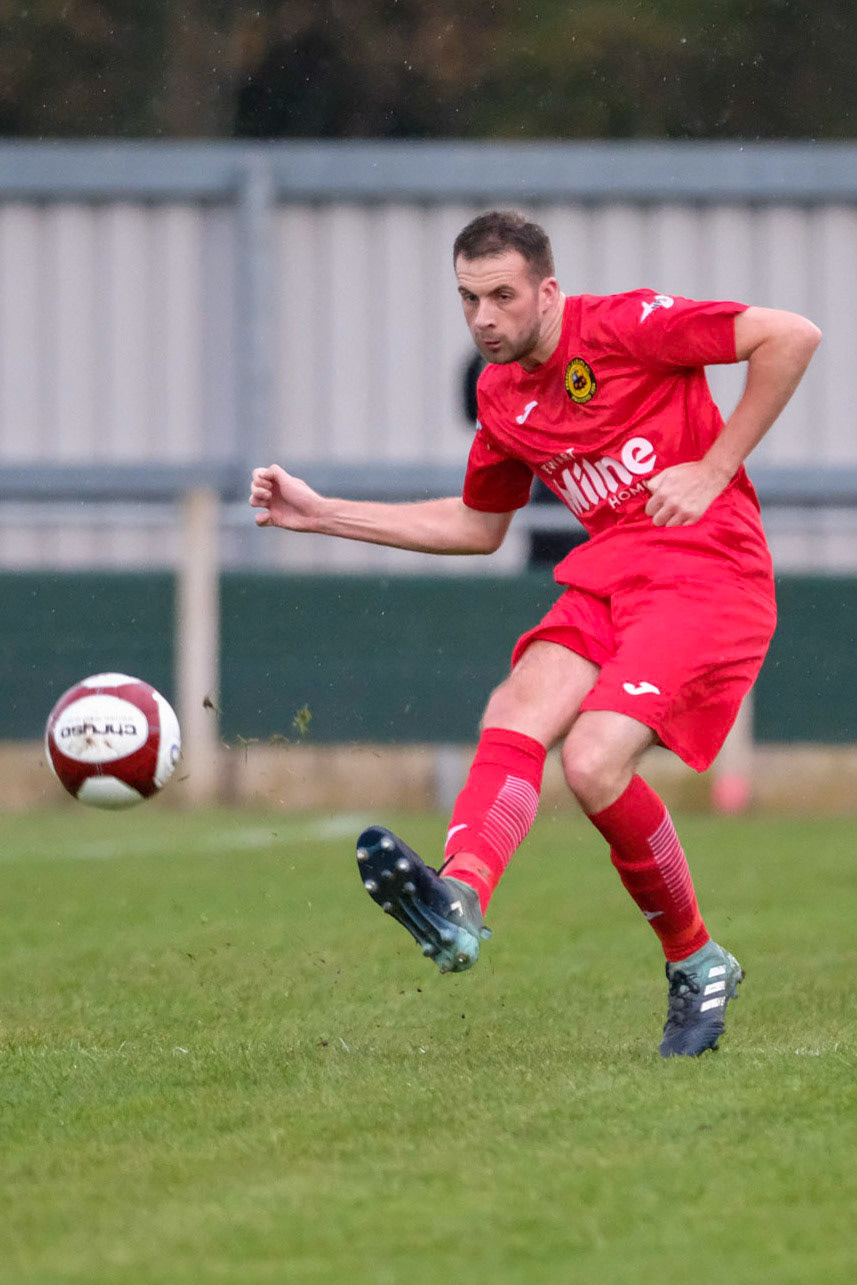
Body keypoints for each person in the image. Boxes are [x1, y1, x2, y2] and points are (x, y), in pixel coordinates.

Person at [250, 210, 821, 1057]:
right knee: (516, 704)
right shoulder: (501, 393)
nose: (483, 317)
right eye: (468, 299)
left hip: (708, 573)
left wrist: (713, 466)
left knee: (590, 760)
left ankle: (696, 959)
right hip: (611, 573)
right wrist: (322, 514)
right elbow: (479, 525)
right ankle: (460, 900)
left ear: (546, 291)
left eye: (502, 296)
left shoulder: (626, 326)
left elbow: (791, 336)